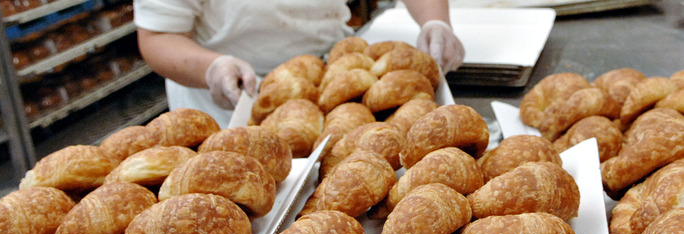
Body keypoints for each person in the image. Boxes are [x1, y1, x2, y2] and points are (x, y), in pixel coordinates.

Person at [135, 0, 465, 127]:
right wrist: (212, 68)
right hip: (234, 99)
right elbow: (157, 36)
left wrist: (435, 22)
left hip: (336, 83)